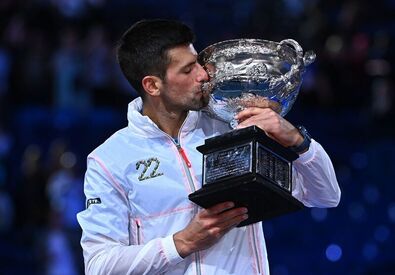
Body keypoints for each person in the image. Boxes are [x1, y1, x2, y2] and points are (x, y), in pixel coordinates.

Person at [77, 19, 341, 274]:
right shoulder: (109, 160)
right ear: (152, 85)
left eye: (199, 64)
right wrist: (181, 243)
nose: (203, 75)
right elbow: (100, 265)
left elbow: (325, 195)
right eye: (188, 69)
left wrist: (296, 140)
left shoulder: (234, 126)